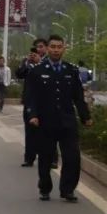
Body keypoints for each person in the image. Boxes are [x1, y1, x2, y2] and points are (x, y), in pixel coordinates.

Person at [27, 35, 93, 202]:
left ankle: (67, 189)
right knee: (46, 157)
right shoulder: (37, 71)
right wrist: (33, 115)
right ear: (47, 49)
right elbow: (31, 97)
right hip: (45, 121)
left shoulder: (71, 70)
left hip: (67, 121)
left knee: (72, 157)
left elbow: (78, 97)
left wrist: (86, 117)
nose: (56, 50)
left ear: (64, 49)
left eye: (59, 47)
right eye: (53, 47)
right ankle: (45, 187)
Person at [16, 39, 47, 167]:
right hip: (30, 100)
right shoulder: (27, 61)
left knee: (48, 131)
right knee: (30, 131)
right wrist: (27, 63)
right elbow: (19, 74)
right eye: (36, 47)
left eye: (41, 47)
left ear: (46, 48)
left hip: (46, 102)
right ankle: (29, 158)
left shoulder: (49, 62)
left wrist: (39, 63)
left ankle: (51, 158)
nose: (38, 49)